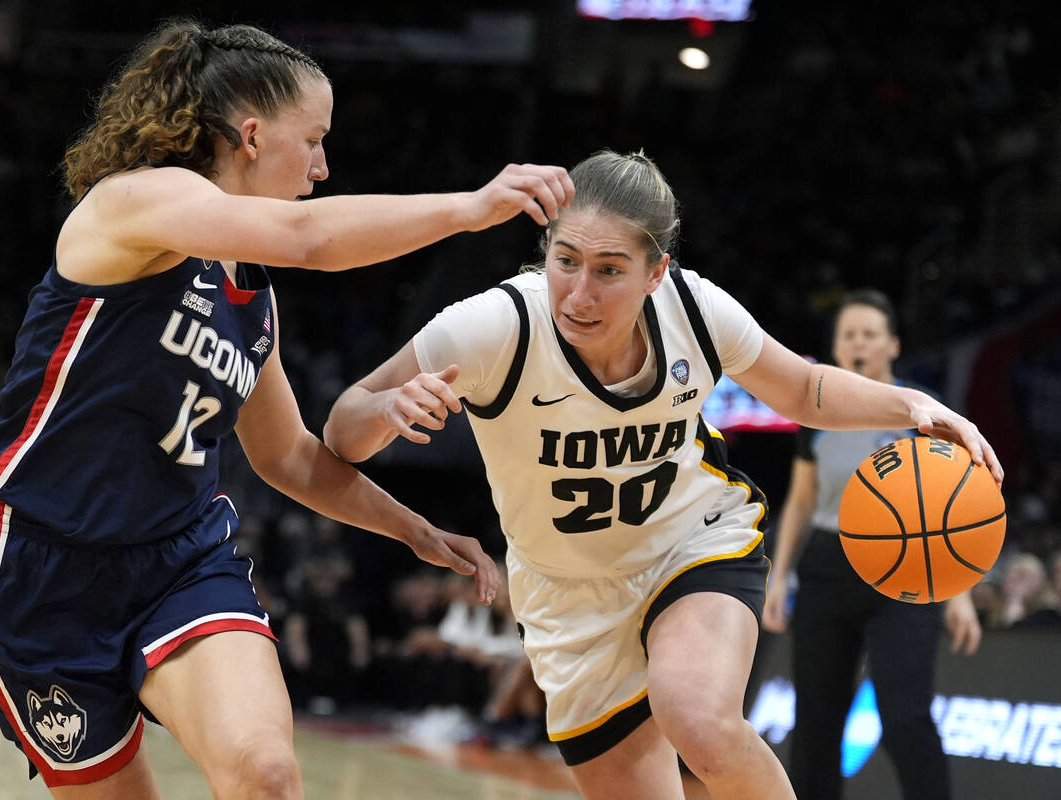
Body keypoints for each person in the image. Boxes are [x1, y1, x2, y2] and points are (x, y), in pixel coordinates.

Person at [0, 19, 572, 800]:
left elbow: (287, 457)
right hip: (41, 569)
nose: (322, 165)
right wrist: (471, 207)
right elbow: (308, 235)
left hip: (177, 560)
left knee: (268, 775)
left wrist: (417, 531)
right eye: (312, 139)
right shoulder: (135, 203)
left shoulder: (250, 297)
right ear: (251, 134)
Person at [324, 149, 1002, 800]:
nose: (579, 293)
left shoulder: (695, 310)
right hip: (568, 599)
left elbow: (802, 390)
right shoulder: (492, 327)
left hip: (692, 544)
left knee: (698, 719)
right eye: (566, 261)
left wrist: (912, 406)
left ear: (656, 273)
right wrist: (387, 409)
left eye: (610, 270)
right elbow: (342, 428)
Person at [760, 289, 983, 800]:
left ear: (893, 345)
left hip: (906, 572)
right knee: (815, 721)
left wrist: (959, 592)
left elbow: (954, 512)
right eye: (848, 335)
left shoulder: (924, 415)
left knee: (904, 716)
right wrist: (781, 575)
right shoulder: (814, 416)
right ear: (836, 349)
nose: (858, 343)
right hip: (826, 565)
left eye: (869, 334)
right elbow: (799, 501)